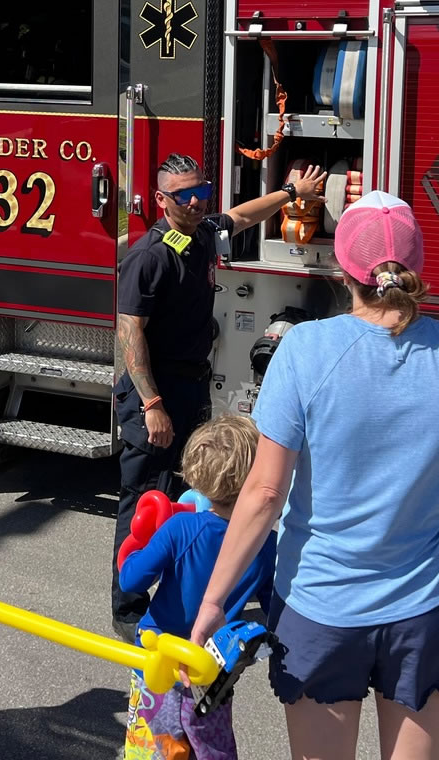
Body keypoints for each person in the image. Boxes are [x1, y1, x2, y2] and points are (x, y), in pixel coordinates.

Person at [190, 192, 439, 760]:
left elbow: (264, 494)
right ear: (416, 269)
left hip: (319, 608)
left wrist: (214, 603)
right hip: (426, 608)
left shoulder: (304, 349)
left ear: (342, 270)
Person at [112, 153, 326, 640]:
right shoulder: (148, 257)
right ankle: (128, 607)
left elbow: (242, 216)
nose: (196, 202)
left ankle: (180, 593)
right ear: (161, 199)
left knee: (188, 495)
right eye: (184, 195)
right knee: (144, 499)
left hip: (190, 385)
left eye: (202, 191)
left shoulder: (202, 233)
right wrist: (152, 405)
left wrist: (292, 194)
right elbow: (130, 333)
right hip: (155, 395)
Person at [117, 415, 276, 760]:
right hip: (212, 669)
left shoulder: (181, 527)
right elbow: (273, 606)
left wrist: (135, 549)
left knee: (154, 749)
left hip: (158, 662)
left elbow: (131, 581)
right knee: (212, 749)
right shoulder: (265, 543)